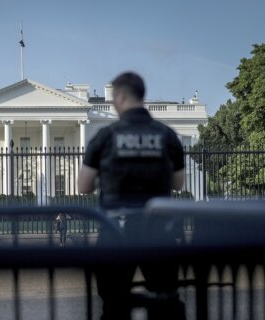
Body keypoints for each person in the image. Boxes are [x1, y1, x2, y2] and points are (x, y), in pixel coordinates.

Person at [78, 72, 185, 320]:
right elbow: (179, 183)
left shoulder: (105, 136)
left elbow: (83, 186)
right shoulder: (167, 135)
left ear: (121, 96)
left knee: (114, 304)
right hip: (159, 231)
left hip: (116, 230)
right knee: (166, 301)